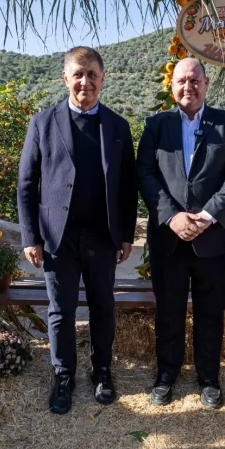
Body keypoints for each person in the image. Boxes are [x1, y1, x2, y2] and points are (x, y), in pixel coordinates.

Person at [17, 46, 137, 415]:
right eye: (78, 74)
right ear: (65, 78)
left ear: (103, 78)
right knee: (61, 310)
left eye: (92, 74)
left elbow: (128, 187)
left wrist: (127, 234)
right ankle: (63, 375)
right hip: (58, 238)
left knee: (103, 306)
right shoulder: (43, 122)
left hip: (102, 236)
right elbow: (26, 184)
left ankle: (102, 371)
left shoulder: (118, 126)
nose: (85, 81)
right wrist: (30, 237)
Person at [136, 57, 225, 409]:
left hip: (211, 238)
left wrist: (209, 215)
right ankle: (166, 374)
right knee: (168, 311)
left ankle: (209, 377)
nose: (189, 86)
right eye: (182, 80)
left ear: (206, 83)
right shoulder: (156, 125)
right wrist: (171, 216)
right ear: (172, 86)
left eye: (195, 80)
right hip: (168, 239)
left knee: (210, 312)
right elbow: (145, 174)